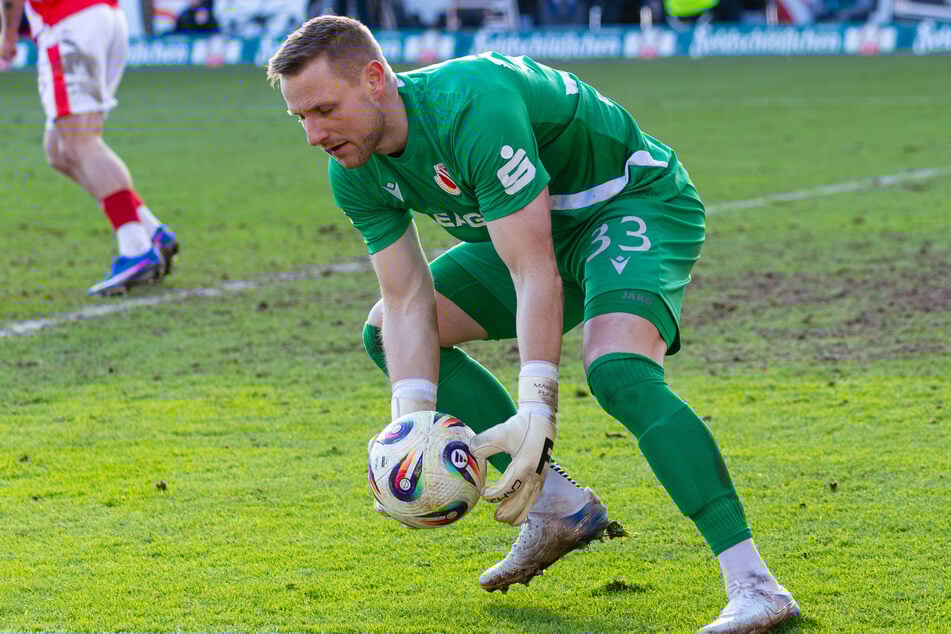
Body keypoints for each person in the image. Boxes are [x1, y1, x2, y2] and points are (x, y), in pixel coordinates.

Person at [266, 15, 800, 633]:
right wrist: (410, 427)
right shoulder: (352, 167)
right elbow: (408, 298)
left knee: (619, 373)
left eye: (324, 109)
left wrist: (537, 409)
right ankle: (557, 508)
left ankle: (756, 585)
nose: (312, 134)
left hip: (630, 203)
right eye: (299, 117)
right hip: (534, 229)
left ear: (376, 79)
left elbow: (533, 269)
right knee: (385, 328)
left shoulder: (474, 108)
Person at [0, 0, 180, 296]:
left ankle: (136, 249)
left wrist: (7, 36)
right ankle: (152, 232)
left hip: (69, 23)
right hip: (104, 17)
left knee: (81, 143)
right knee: (59, 150)